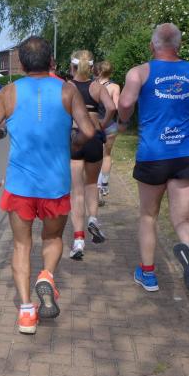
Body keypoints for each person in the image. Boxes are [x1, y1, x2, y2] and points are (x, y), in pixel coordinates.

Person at [0, 36, 95, 334]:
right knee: (53, 239)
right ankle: (46, 276)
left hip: (20, 186)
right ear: (52, 62)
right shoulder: (67, 90)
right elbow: (88, 131)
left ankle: (27, 312)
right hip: (55, 184)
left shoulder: (9, 92)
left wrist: (3, 134)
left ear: (21, 64)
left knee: (21, 244)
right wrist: (73, 143)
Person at [118, 23, 189, 295]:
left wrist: (123, 121)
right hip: (185, 153)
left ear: (152, 45)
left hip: (153, 154)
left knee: (148, 215)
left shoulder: (139, 72)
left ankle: (148, 275)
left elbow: (125, 103)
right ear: (179, 46)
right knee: (184, 219)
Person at [68, 50, 115, 261]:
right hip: (94, 137)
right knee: (91, 185)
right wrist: (102, 125)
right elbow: (111, 107)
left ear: (72, 66)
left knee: (77, 191)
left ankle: (78, 241)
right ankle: (93, 220)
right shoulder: (97, 86)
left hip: (75, 137)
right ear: (91, 67)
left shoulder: (68, 86)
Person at [95, 61, 121, 204]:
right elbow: (116, 106)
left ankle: (93, 186)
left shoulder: (93, 86)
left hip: (95, 124)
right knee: (107, 155)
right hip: (110, 124)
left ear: (98, 70)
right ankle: (103, 185)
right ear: (110, 72)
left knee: (95, 156)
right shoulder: (115, 87)